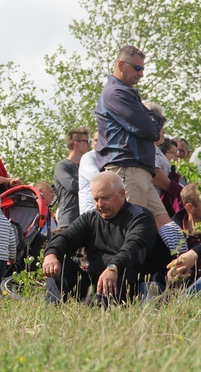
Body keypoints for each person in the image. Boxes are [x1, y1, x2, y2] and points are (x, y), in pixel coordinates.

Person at [42, 171, 164, 304]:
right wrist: (51, 255)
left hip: (126, 283)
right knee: (60, 266)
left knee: (97, 303)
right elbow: (66, 237)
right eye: (96, 199)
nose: (100, 204)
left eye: (105, 198)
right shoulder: (90, 218)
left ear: (122, 194)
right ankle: (54, 310)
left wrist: (114, 267)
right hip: (94, 281)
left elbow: (132, 247)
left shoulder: (141, 217)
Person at [95, 45, 170, 229]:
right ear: (121, 64)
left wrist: (155, 121)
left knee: (166, 227)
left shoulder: (125, 92)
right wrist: (155, 121)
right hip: (126, 169)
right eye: (138, 68)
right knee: (132, 230)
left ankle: (182, 257)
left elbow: (153, 126)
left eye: (143, 68)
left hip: (138, 171)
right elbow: (149, 130)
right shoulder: (115, 93)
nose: (141, 74)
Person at [54, 126, 91, 229]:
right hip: (68, 221)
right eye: (86, 141)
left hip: (86, 221)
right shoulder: (62, 166)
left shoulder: (87, 167)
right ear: (76, 143)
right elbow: (72, 186)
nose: (89, 145)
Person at [78, 132, 101, 215]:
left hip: (104, 210)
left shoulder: (108, 158)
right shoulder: (88, 157)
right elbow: (99, 179)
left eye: (101, 140)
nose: (98, 143)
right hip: (90, 211)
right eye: (95, 140)